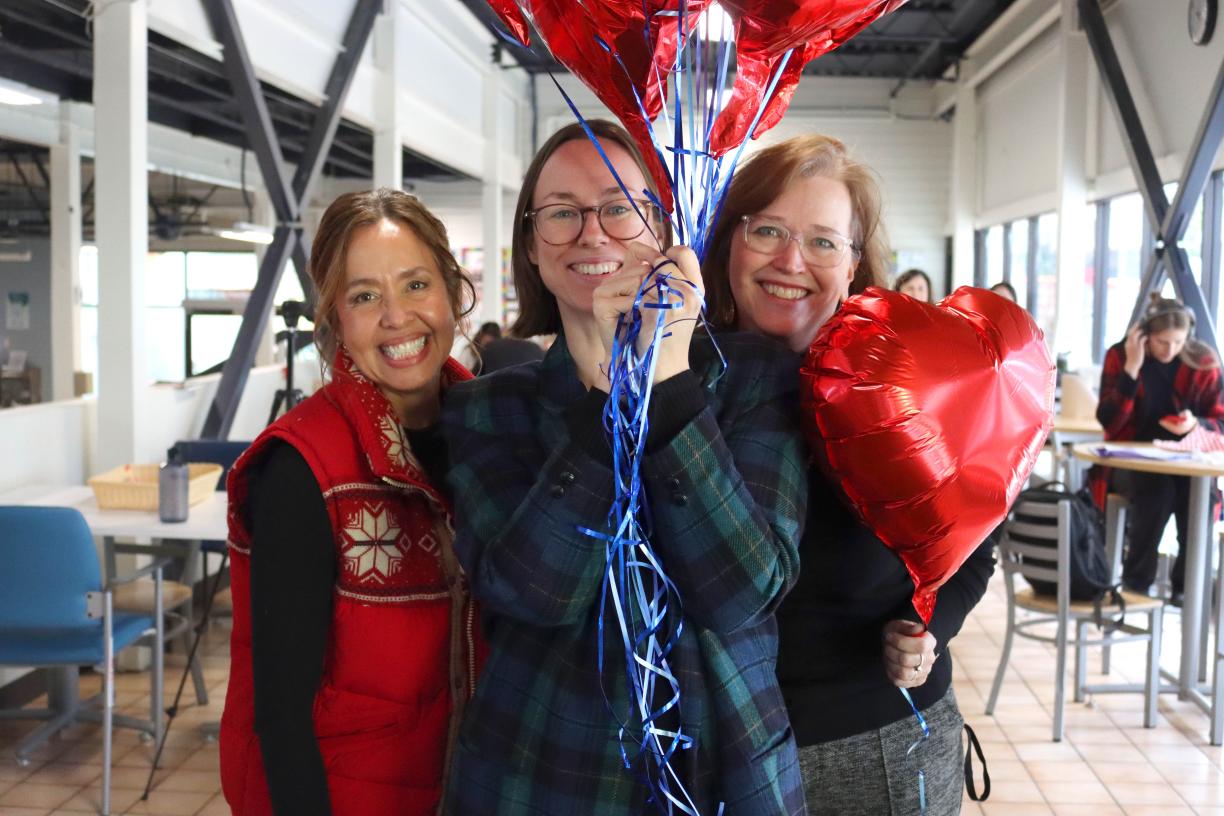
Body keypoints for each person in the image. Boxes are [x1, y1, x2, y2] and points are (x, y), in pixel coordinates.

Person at [442, 120, 807, 814]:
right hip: (544, 775)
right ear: (531, 244)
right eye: (561, 213)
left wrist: (668, 378)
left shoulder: (752, 378)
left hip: (726, 770)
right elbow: (532, 595)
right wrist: (609, 392)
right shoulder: (486, 408)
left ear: (662, 227)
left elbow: (745, 590)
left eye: (620, 207)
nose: (592, 233)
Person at [703, 134, 994, 815]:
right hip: (718, 747)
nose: (790, 261)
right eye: (767, 230)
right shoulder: (681, 378)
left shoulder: (909, 385)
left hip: (877, 747)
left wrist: (929, 626)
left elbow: (982, 533)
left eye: (824, 242)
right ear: (728, 243)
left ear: (856, 264)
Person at [219, 189, 485, 816]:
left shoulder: (494, 434)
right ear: (336, 319)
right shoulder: (303, 466)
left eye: (417, 284)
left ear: (451, 293)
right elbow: (279, 715)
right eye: (365, 296)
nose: (397, 316)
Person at [1095, 295, 1224, 597]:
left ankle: (1187, 589)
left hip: (1186, 462)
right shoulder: (1121, 355)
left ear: (1187, 337)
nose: (1170, 350)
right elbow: (1109, 422)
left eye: (1177, 342)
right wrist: (1131, 368)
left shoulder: (1202, 361)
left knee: (1200, 497)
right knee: (1158, 491)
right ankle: (1136, 585)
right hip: (1130, 462)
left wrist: (1196, 424)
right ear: (1145, 335)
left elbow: (1220, 421)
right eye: (1162, 342)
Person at [477, 331, 545, 374]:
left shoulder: (491, 346)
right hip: (528, 393)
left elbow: (476, 373)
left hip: (494, 392)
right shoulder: (536, 348)